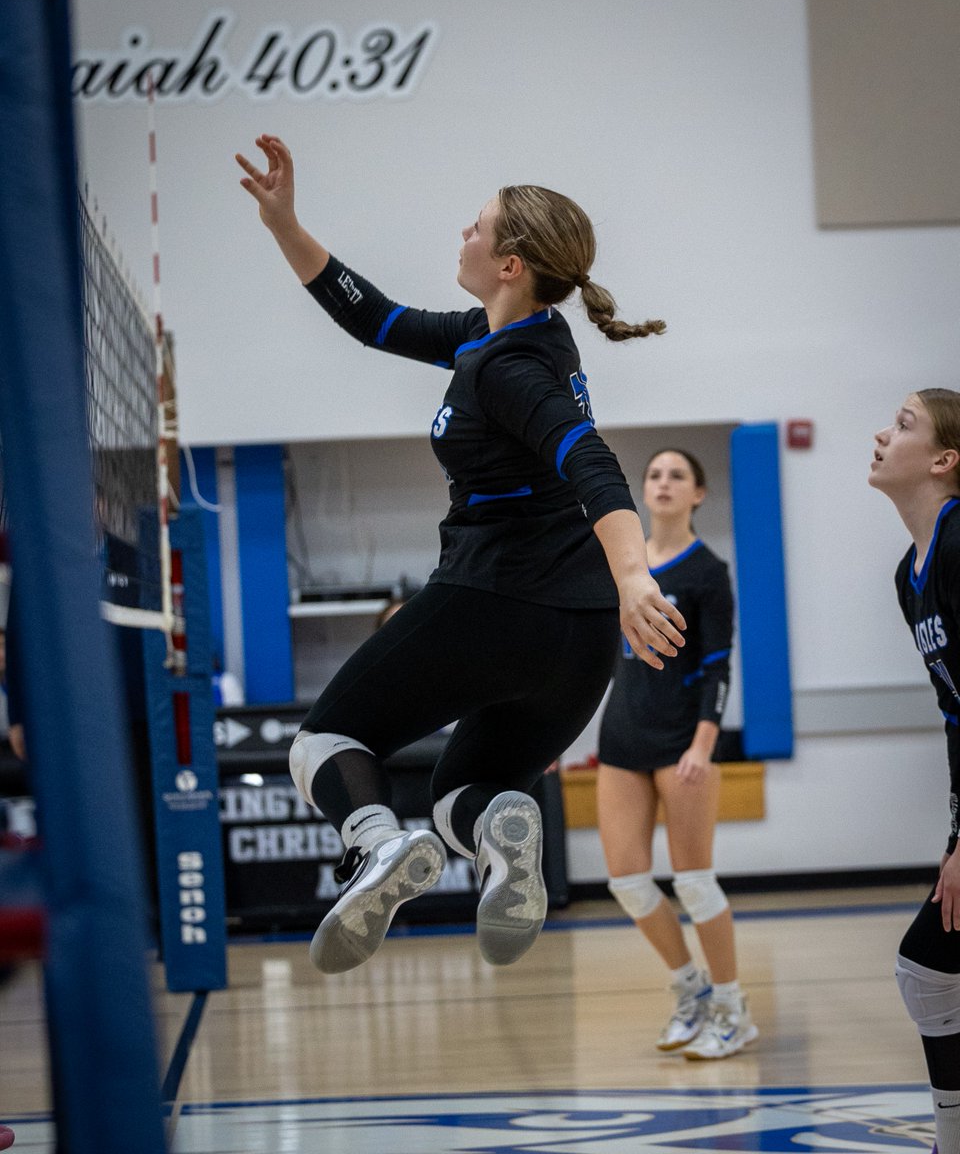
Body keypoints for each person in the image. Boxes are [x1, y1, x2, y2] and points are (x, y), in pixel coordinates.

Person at [237, 134, 686, 975]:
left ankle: (373, 845)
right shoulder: (520, 339)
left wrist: (636, 573)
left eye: (475, 226)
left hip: (496, 602)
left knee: (323, 744)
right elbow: (373, 318)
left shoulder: (505, 369)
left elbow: (589, 459)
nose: (463, 233)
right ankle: (496, 836)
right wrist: (284, 224)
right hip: (580, 639)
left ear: (509, 262)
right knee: (458, 798)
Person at [595, 447, 755, 1059]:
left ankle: (732, 1008)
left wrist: (704, 746)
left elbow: (718, 666)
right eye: (654, 474)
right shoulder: (620, 565)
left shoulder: (708, 571)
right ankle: (690, 991)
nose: (662, 483)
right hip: (621, 740)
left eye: (677, 476)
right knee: (630, 883)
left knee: (692, 881)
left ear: (698, 494)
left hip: (682, 744)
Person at [870, 387, 960, 1154]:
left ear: (943, 459)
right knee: (929, 968)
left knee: (927, 964)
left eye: (903, 424)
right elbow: (958, 712)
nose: (880, 432)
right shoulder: (911, 574)